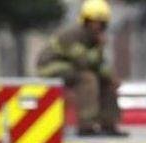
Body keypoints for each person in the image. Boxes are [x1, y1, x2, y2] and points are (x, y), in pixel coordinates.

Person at [36, 0, 121, 135]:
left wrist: (111, 78)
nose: (97, 26)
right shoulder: (72, 35)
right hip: (51, 68)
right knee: (88, 79)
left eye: (101, 23)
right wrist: (99, 48)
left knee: (107, 82)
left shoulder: (94, 39)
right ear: (85, 21)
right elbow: (84, 62)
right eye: (93, 22)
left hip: (73, 68)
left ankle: (109, 124)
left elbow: (99, 65)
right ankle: (86, 125)